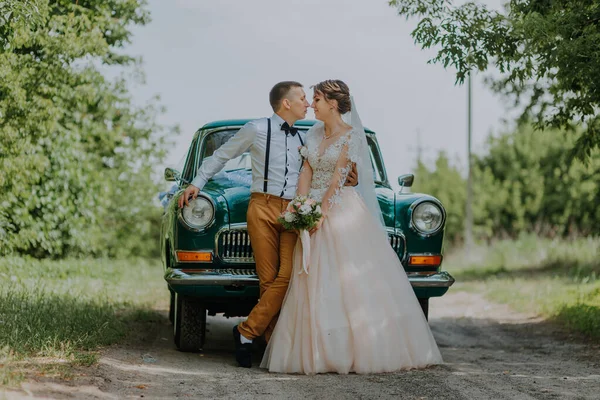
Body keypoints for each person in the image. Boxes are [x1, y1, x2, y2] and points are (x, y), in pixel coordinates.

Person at [260, 80, 443, 374]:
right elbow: (307, 170)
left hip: (340, 209)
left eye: (316, 99)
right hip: (311, 205)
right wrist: (301, 203)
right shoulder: (313, 133)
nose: (312, 105)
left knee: (346, 281)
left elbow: (337, 180)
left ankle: (355, 349)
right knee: (311, 280)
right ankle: (318, 352)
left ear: (332, 103)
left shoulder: (351, 137)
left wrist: (320, 212)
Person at [177, 81, 357, 368]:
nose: (308, 103)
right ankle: (271, 344)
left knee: (287, 277)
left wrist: (346, 177)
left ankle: (246, 332)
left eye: (311, 99)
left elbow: (326, 168)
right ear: (286, 103)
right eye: (302, 98)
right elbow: (223, 155)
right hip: (261, 206)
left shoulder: (306, 137)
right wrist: (196, 183)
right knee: (268, 280)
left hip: (294, 210)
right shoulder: (256, 128)